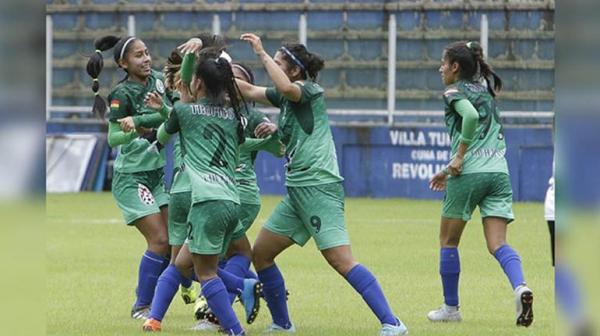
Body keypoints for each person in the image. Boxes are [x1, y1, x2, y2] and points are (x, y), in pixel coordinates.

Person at [235, 33, 408, 336]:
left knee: (341, 261)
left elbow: (287, 88)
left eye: (278, 63)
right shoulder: (286, 98)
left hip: (319, 187)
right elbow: (248, 89)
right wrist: (215, 70)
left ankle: (393, 323)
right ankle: (282, 324)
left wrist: (261, 52)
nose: (271, 66)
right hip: (298, 191)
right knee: (261, 254)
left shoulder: (308, 89)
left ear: (295, 70)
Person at [143, 47, 253, 335]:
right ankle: (154, 320)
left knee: (206, 273)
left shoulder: (183, 111)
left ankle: (234, 331)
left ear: (199, 83)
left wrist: (187, 64)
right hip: (231, 197)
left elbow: (162, 136)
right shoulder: (233, 115)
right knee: (182, 263)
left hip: (204, 199)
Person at [427, 41, 533, 327]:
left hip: (469, 174)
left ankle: (451, 308)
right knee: (498, 243)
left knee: (448, 241)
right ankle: (520, 287)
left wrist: (457, 159)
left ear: (455, 67)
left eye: (443, 62)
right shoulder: (485, 91)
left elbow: (470, 117)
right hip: (499, 172)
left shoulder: (453, 91)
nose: (440, 68)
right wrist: (446, 170)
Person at [86, 35, 171, 319]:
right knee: (160, 241)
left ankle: (183, 289)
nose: (146, 59)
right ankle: (142, 305)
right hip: (132, 177)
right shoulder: (121, 94)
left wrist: (143, 120)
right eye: (138, 55)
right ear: (123, 63)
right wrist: (135, 128)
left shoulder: (159, 80)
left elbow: (172, 114)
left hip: (156, 174)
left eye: (147, 53)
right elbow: (112, 138)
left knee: (175, 241)